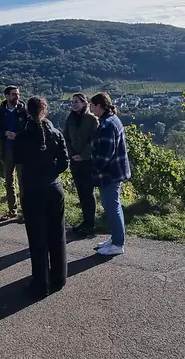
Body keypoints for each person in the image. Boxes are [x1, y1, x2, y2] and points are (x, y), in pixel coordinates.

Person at [14, 96, 70, 298]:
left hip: (32, 190)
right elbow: (64, 163)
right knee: (57, 234)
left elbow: (17, 160)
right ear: (45, 110)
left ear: (27, 112)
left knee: (37, 239)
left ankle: (41, 284)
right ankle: (59, 277)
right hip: (54, 188)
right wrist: (51, 172)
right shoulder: (56, 133)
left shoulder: (22, 137)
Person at [90, 93, 131, 256]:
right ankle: (115, 237)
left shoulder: (107, 125)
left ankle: (118, 243)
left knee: (112, 206)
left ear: (99, 106)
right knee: (111, 205)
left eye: (92, 105)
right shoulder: (113, 119)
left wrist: (94, 169)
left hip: (110, 173)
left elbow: (105, 154)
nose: (91, 108)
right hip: (115, 171)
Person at [0, 86, 29, 221]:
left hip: (21, 151)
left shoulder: (24, 111)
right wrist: (4, 133)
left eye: (17, 94)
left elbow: (29, 129)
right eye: (13, 94)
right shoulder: (0, 112)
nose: (16, 97)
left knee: (23, 181)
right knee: (9, 181)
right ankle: (12, 209)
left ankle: (25, 211)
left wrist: (17, 135)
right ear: (6, 96)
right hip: (6, 150)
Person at [63, 93, 100, 236]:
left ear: (84, 103)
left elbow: (94, 140)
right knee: (80, 191)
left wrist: (84, 155)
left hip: (88, 162)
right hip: (74, 161)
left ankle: (90, 223)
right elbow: (65, 138)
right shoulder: (70, 119)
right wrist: (72, 154)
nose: (73, 104)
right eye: (72, 102)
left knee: (88, 192)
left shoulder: (92, 119)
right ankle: (85, 222)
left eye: (76, 102)